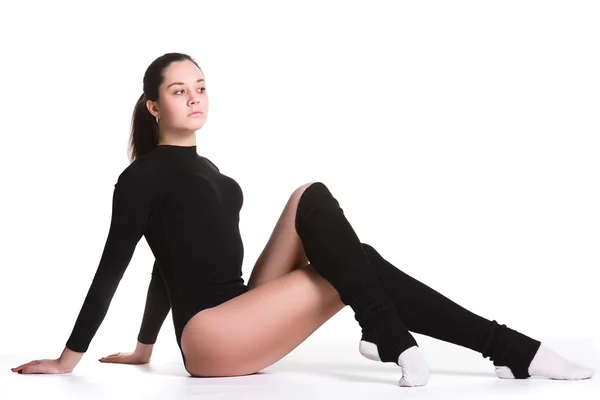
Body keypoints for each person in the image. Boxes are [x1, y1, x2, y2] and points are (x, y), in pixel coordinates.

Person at [11, 53, 594, 387]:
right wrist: (70, 359)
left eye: (202, 88)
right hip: (212, 336)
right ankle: (461, 343)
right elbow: (116, 263)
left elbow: (167, 264)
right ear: (153, 105)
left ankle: (417, 337)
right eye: (179, 90)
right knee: (354, 263)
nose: (194, 98)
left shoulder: (215, 173)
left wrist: (142, 346)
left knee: (311, 199)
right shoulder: (140, 179)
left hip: (242, 308)